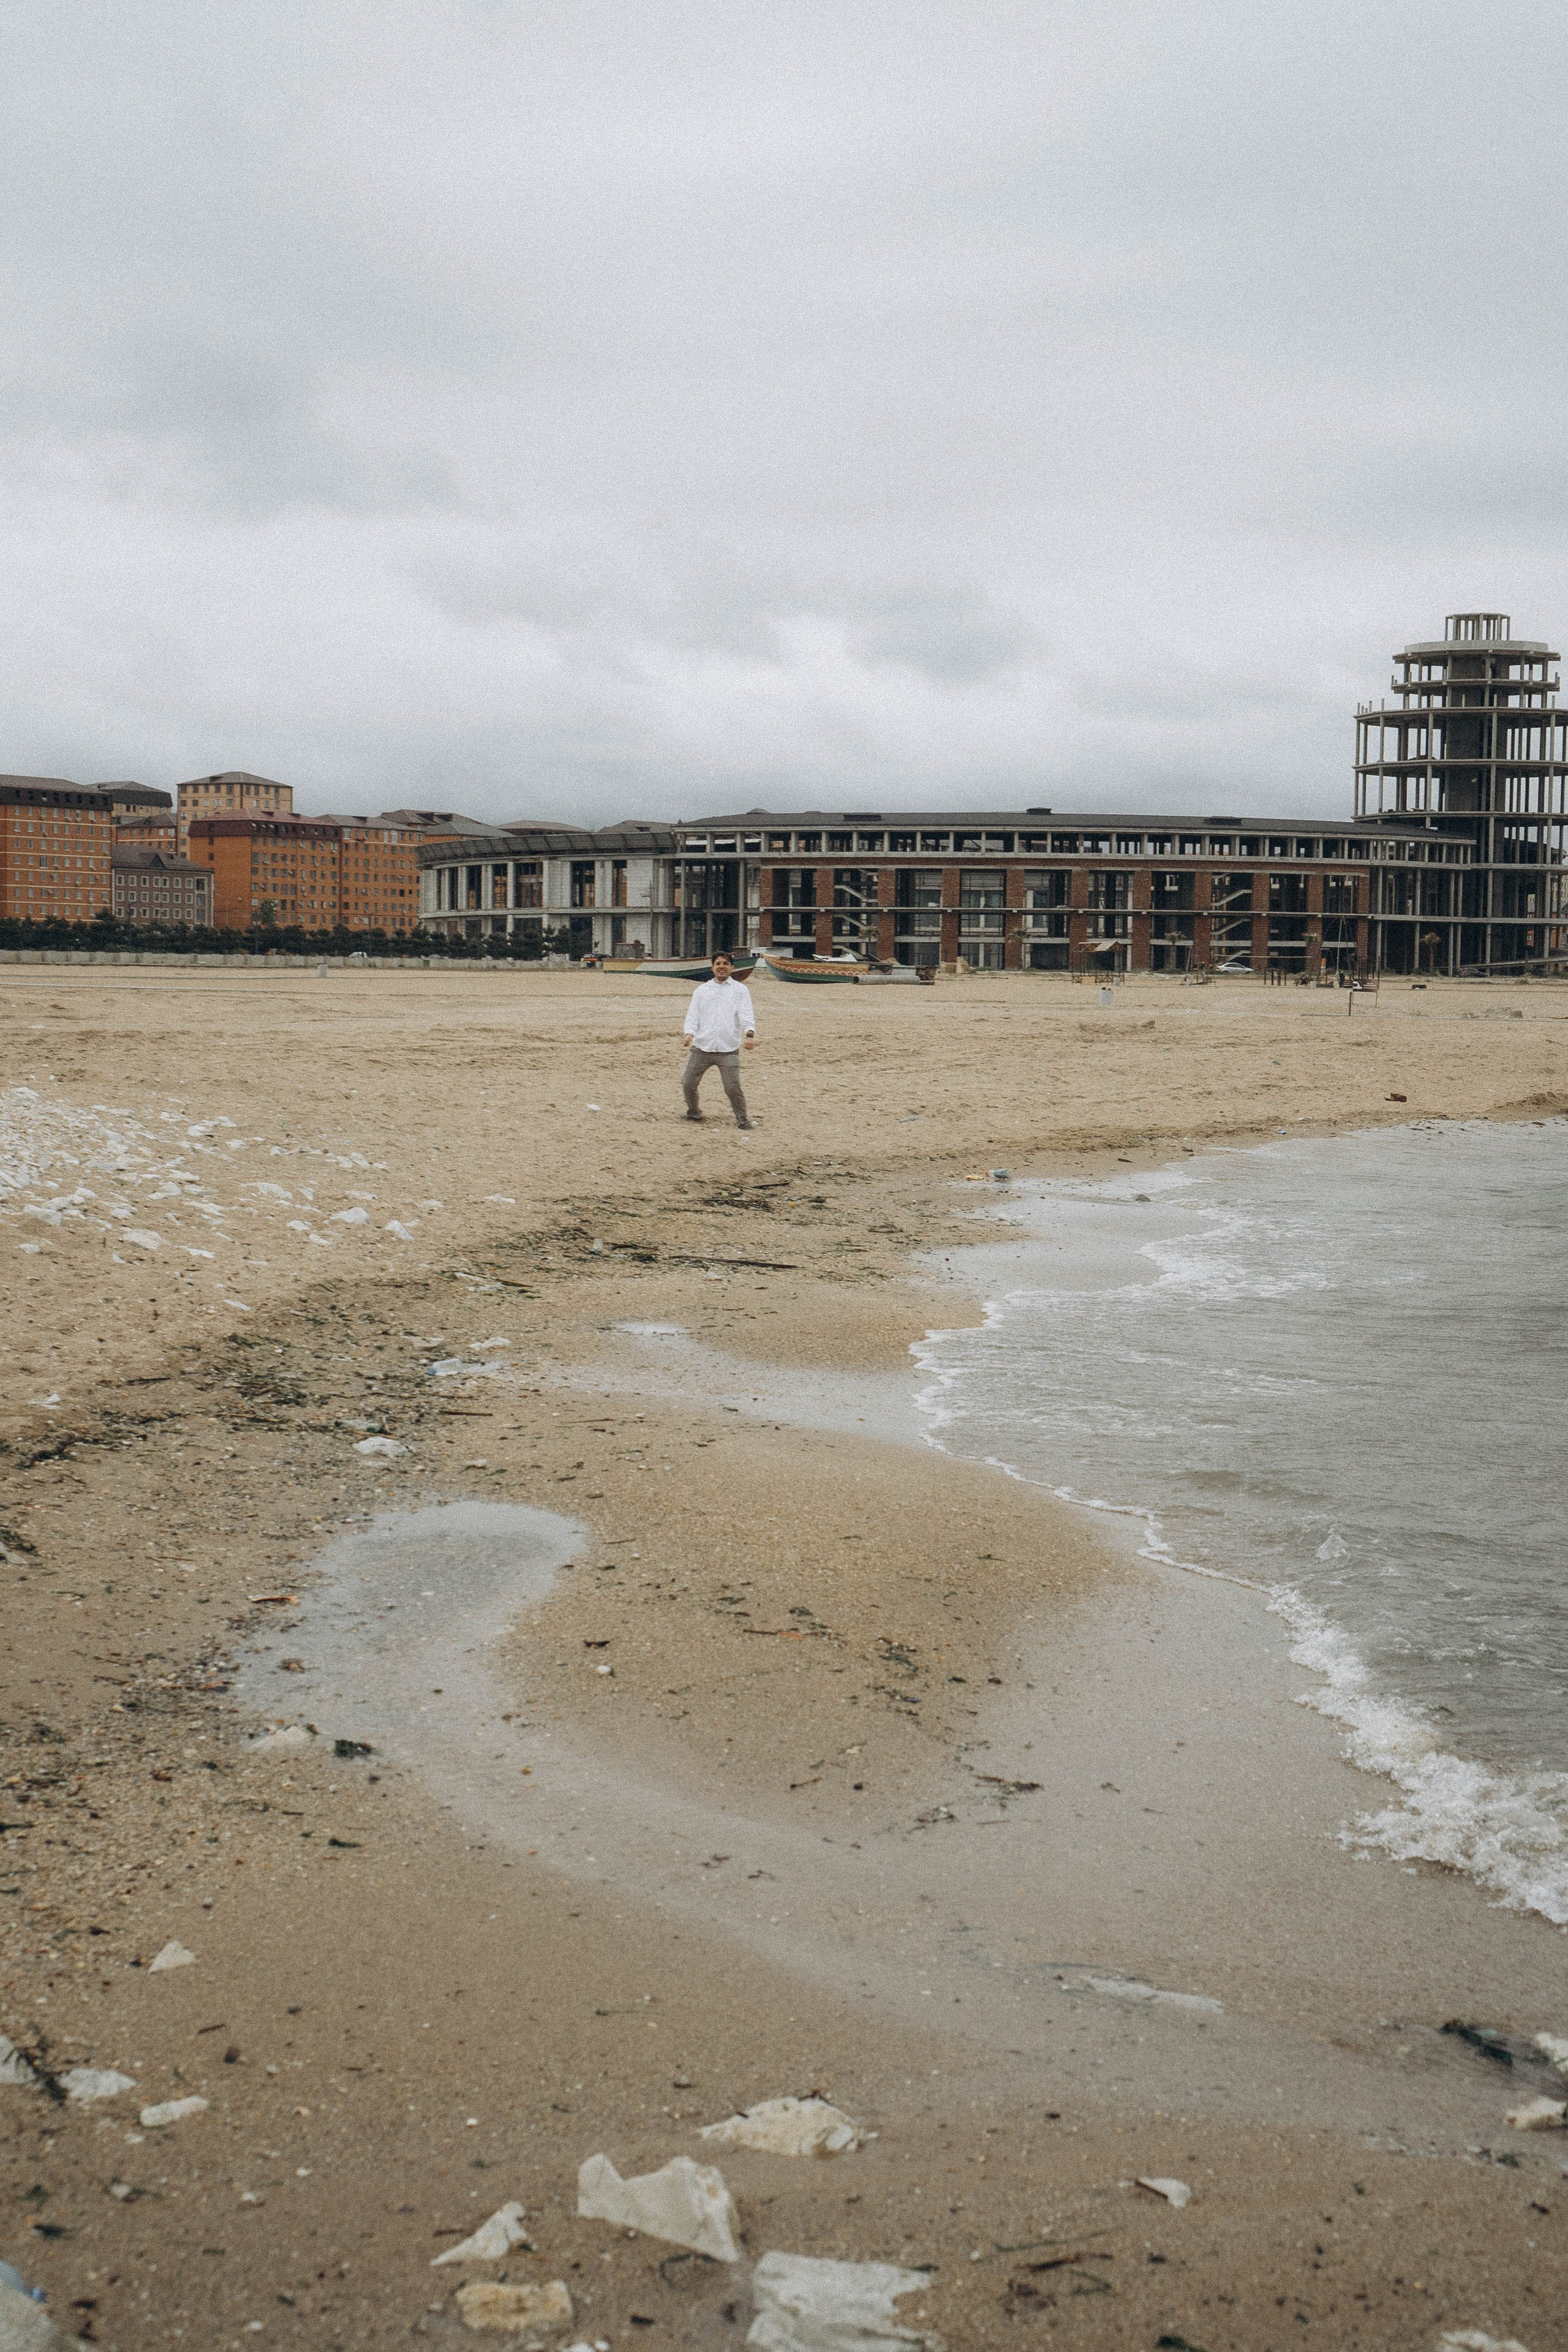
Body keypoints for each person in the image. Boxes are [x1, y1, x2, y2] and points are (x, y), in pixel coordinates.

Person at [680, 951, 757, 1128]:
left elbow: (747, 1014)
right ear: (712, 968)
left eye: (725, 964)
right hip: (701, 1048)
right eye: (718, 964)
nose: (721, 967)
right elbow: (693, 1015)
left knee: (733, 1088)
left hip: (728, 1050)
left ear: (732, 967)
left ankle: (743, 1121)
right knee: (688, 1083)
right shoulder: (702, 990)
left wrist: (750, 1034)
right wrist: (689, 1033)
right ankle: (694, 1113)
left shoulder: (740, 990)